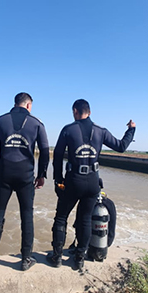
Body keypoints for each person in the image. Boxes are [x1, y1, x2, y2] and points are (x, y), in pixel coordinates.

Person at [47, 99, 135, 270]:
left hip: (73, 181)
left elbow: (57, 156)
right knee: (86, 219)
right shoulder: (101, 131)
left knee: (61, 218)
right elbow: (121, 146)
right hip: (93, 182)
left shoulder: (68, 130)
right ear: (90, 112)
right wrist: (131, 130)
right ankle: (79, 258)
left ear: (75, 111)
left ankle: (57, 257)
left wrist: (58, 180)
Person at [0, 92, 49, 271]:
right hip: (26, 178)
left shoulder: (0, 121)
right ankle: (26, 259)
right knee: (27, 216)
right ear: (28, 105)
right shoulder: (37, 123)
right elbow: (45, 151)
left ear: (15, 103)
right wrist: (41, 175)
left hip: (4, 176)